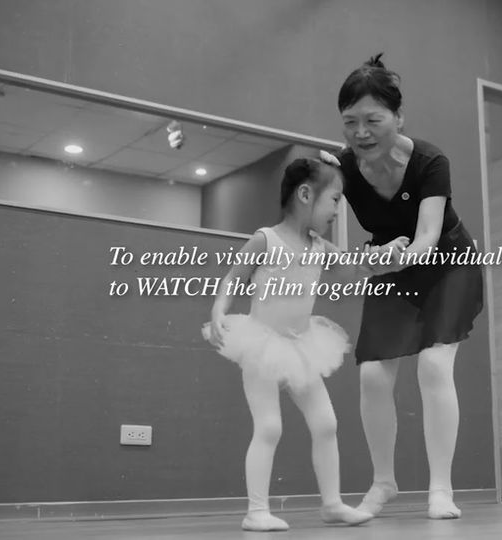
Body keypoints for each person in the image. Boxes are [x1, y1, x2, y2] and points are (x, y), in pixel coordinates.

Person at [203, 154, 407, 531]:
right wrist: (219, 310)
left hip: (302, 346)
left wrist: (388, 255)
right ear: (305, 195)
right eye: (334, 200)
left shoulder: (319, 248)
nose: (337, 211)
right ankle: (256, 511)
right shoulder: (266, 240)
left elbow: (356, 267)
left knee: (326, 423)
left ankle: (332, 504)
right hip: (262, 345)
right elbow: (233, 278)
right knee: (269, 427)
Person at [334, 54, 485, 520]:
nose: (361, 132)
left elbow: (427, 237)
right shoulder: (343, 167)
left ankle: (441, 489)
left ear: (398, 117)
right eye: (350, 122)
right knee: (372, 375)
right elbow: (340, 243)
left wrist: (391, 257)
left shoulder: (429, 161)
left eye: (372, 120)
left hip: (447, 263)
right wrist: (371, 258)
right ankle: (384, 482)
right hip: (392, 269)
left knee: (434, 367)